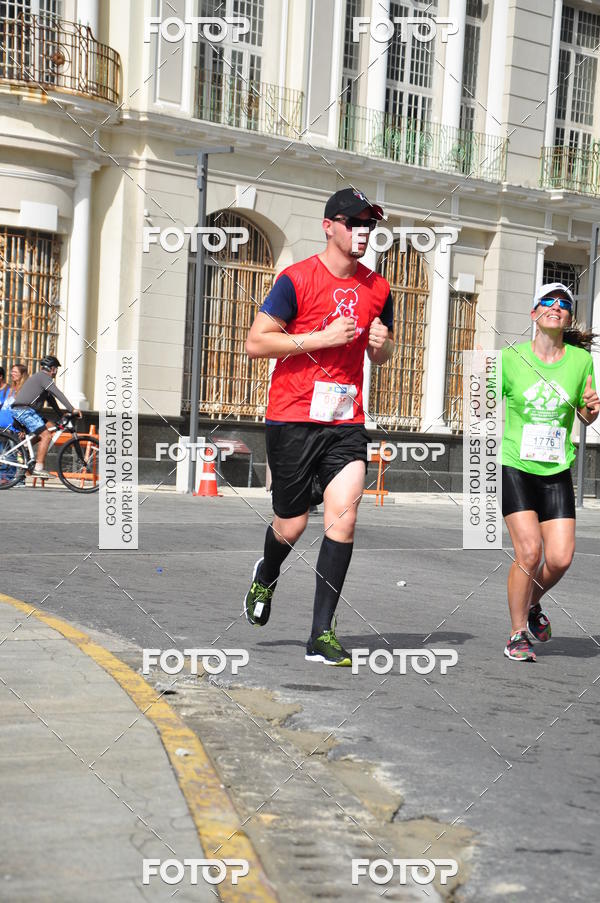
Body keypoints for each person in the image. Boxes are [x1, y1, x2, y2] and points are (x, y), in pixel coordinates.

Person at [243, 188, 394, 666]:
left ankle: (321, 634)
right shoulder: (296, 279)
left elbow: (381, 353)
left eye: (369, 224)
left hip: (346, 421)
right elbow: (256, 342)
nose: (362, 231)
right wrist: (322, 338)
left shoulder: (379, 288)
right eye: (354, 222)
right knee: (291, 524)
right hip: (292, 417)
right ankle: (266, 573)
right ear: (329, 225)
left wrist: (382, 345)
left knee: (344, 518)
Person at [501, 282, 599, 662]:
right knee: (529, 551)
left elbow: (586, 412)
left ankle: (530, 603)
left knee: (559, 558)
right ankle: (516, 634)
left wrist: (592, 409)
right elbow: (481, 403)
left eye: (564, 304)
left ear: (568, 317)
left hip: (556, 468)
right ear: (534, 313)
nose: (557, 307)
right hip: (517, 465)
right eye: (549, 301)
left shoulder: (580, 361)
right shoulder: (511, 359)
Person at [10, 355, 81, 480]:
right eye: (56, 369)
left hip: (28, 411)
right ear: (52, 369)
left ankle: (25, 447)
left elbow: (51, 399)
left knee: (52, 427)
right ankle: (38, 468)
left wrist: (61, 414)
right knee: (46, 435)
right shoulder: (43, 377)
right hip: (24, 411)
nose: (56, 372)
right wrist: (72, 409)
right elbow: (58, 393)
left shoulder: (41, 379)